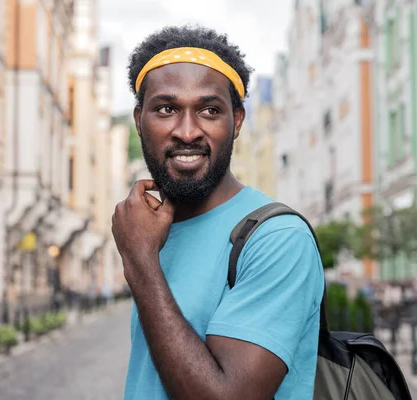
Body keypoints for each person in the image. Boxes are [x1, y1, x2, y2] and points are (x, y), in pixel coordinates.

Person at [112, 25, 324, 400]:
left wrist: (140, 262)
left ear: (237, 121)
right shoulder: (154, 227)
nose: (188, 131)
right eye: (166, 109)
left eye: (209, 110)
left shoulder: (276, 238)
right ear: (139, 120)